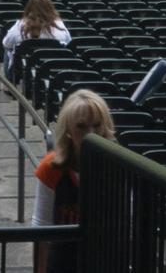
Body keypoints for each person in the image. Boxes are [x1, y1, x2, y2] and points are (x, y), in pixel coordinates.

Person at [30, 90, 115, 273]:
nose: (90, 133)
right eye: (81, 126)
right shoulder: (51, 167)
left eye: (97, 125)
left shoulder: (117, 167)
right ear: (68, 129)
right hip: (62, 264)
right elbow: (41, 226)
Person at [2, 0, 70, 76]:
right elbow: (69, 43)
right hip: (52, 71)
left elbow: (6, 44)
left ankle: (8, 83)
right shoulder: (59, 25)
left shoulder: (19, 26)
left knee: (8, 50)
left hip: (22, 72)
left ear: (28, 9)